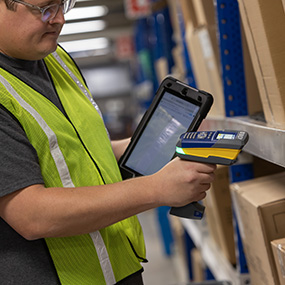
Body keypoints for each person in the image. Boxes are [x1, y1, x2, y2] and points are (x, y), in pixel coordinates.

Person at [0, 0, 216, 284]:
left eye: (64, 4)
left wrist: (150, 143)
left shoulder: (54, 59)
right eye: (45, 8)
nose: (60, 19)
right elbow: (31, 214)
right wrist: (156, 189)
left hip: (117, 268)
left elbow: (75, 154)